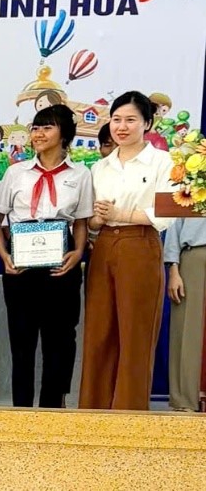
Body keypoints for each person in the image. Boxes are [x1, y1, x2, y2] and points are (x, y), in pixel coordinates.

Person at [0, 104, 93, 408]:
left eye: (47, 127)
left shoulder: (81, 174)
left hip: (61, 263)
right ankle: (22, 410)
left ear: (65, 134)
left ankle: (53, 409)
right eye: (35, 128)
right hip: (21, 264)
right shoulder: (16, 172)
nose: (38, 134)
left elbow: (81, 221)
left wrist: (78, 253)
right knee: (21, 341)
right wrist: (4, 256)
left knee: (60, 340)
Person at [81, 91, 176, 410]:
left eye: (130, 120)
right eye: (116, 119)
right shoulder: (100, 167)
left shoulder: (162, 162)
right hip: (104, 245)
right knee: (99, 331)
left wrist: (121, 213)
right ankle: (93, 411)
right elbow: (92, 221)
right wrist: (97, 218)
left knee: (135, 332)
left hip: (140, 244)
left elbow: (166, 213)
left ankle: (129, 413)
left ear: (147, 123)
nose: (121, 127)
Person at [166, 216, 206, 411]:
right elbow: (173, 222)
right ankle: (185, 399)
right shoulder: (184, 193)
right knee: (187, 328)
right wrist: (173, 269)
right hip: (193, 253)